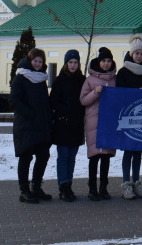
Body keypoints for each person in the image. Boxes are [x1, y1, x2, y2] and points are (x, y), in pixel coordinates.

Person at [9, 48, 52, 204]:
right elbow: (14, 100)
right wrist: (30, 113)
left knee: (43, 155)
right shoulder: (21, 77)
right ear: (29, 60)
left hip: (41, 124)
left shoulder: (41, 78)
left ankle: (36, 186)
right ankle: (24, 190)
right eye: (35, 61)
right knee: (25, 157)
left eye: (40, 62)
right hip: (26, 125)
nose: (38, 64)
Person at [115, 35, 142, 200]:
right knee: (128, 151)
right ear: (131, 54)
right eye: (136, 53)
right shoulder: (123, 71)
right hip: (128, 116)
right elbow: (119, 92)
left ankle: (137, 182)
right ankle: (126, 184)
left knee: (138, 151)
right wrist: (133, 92)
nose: (139, 56)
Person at [79, 47, 117, 201]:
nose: (106, 64)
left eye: (109, 61)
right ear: (99, 62)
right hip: (94, 124)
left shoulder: (115, 79)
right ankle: (92, 189)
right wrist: (95, 92)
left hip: (109, 123)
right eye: (104, 61)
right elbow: (83, 100)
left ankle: (104, 188)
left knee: (106, 158)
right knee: (94, 158)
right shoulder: (90, 79)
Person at [50, 49, 86, 202]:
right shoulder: (59, 80)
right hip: (63, 124)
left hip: (77, 124)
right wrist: (66, 109)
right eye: (70, 62)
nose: (73, 65)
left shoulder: (82, 80)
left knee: (72, 157)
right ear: (66, 63)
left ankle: (69, 184)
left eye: (75, 62)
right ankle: (63, 186)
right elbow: (53, 101)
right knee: (63, 156)